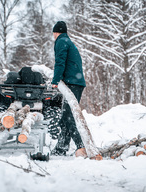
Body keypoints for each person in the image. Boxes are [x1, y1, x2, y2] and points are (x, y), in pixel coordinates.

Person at [51, 21, 87, 157]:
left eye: (53, 33)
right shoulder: (68, 41)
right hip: (76, 82)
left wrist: (55, 80)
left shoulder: (61, 41)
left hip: (73, 83)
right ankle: (61, 148)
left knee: (67, 116)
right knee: (65, 117)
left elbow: (60, 61)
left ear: (56, 32)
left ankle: (81, 146)